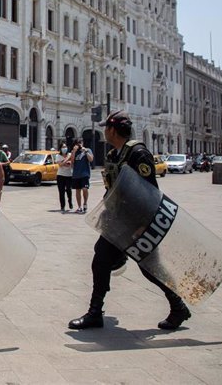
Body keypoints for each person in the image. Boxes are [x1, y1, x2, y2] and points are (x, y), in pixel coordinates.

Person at [68, 110, 191, 331]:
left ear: (113, 130)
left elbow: (150, 191)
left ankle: (178, 306)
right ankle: (95, 312)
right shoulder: (115, 154)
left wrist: (144, 225)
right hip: (118, 222)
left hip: (137, 223)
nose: (104, 131)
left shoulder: (137, 153)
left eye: (106, 128)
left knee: (149, 267)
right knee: (101, 259)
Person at [70, 138, 93, 213]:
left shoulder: (87, 150)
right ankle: (79, 207)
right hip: (76, 174)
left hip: (85, 173)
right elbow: (72, 162)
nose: (79, 144)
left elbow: (91, 159)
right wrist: (73, 151)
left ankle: (85, 203)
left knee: (85, 189)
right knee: (77, 190)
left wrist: (85, 152)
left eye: (80, 142)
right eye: (77, 143)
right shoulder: (74, 152)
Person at [56, 142, 73, 212]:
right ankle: (62, 206)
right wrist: (66, 160)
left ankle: (70, 201)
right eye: (63, 147)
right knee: (61, 191)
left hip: (68, 175)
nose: (64, 148)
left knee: (69, 189)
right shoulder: (58, 156)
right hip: (60, 175)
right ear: (60, 148)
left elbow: (70, 164)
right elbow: (60, 164)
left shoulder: (70, 154)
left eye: (65, 147)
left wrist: (65, 162)